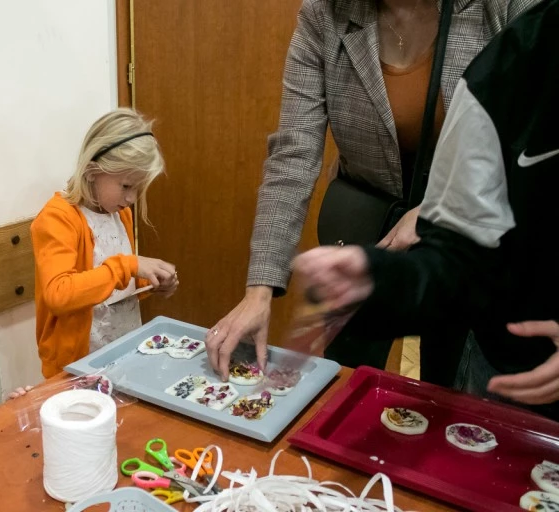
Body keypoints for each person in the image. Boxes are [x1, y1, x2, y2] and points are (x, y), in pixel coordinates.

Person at [206, 0, 541, 382]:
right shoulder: (325, 15)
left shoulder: (502, 6)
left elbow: (535, 143)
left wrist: (439, 207)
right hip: (368, 228)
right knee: (347, 377)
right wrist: (259, 290)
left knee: (450, 390)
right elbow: (292, 156)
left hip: (471, 237)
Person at [293, 0, 559, 418]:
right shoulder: (504, 66)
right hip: (508, 352)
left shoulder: (510, 16)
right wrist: (378, 281)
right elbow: (464, 260)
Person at [31, 108, 178, 379]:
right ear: (91, 171)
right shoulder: (58, 218)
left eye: (139, 188)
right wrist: (129, 265)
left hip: (122, 352)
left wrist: (149, 281)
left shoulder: (119, 212)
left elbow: (112, 284)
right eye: (126, 186)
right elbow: (59, 295)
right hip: (77, 367)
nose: (132, 198)